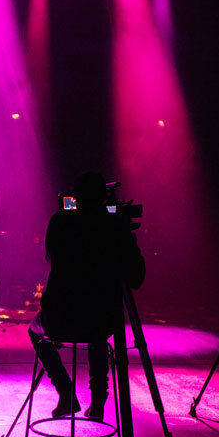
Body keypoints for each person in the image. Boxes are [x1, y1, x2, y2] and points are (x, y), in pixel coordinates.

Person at [29, 172, 146, 421]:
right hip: (102, 320)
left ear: (75, 196)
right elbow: (136, 278)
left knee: (34, 330)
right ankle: (98, 403)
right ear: (105, 196)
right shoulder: (115, 226)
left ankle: (66, 391)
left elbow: (50, 258)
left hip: (59, 319)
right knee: (98, 333)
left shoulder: (60, 220)